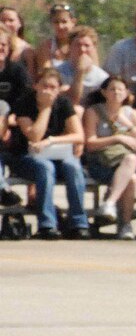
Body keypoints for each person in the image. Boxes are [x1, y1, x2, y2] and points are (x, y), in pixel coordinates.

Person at [6, 69, 89, 238]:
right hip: (27, 158)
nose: (48, 91)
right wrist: (46, 108)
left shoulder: (64, 103)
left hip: (57, 154)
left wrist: (51, 141)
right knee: (45, 167)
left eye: (53, 87)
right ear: (36, 86)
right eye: (44, 86)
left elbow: (79, 135)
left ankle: (79, 223)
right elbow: (34, 135)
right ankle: (47, 224)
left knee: (73, 165)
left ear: (59, 89)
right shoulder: (24, 103)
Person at [81, 74, 136, 239]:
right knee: (132, 179)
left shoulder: (132, 114)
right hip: (102, 162)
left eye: (120, 89)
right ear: (104, 92)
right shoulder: (94, 112)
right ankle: (125, 225)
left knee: (131, 159)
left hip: (128, 159)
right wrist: (118, 138)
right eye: (112, 89)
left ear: (126, 93)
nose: (116, 93)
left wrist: (128, 126)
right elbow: (90, 143)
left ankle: (110, 203)